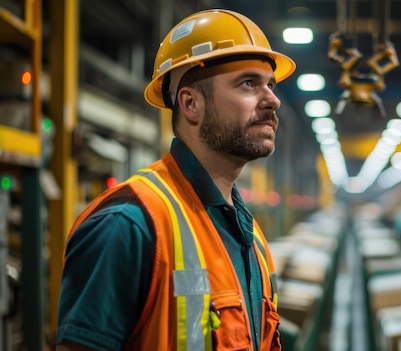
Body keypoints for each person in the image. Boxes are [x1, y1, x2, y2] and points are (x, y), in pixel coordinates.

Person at [56, 8, 296, 351]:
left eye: (270, 85)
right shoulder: (129, 224)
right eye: (248, 83)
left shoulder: (251, 237)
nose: (272, 100)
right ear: (191, 104)